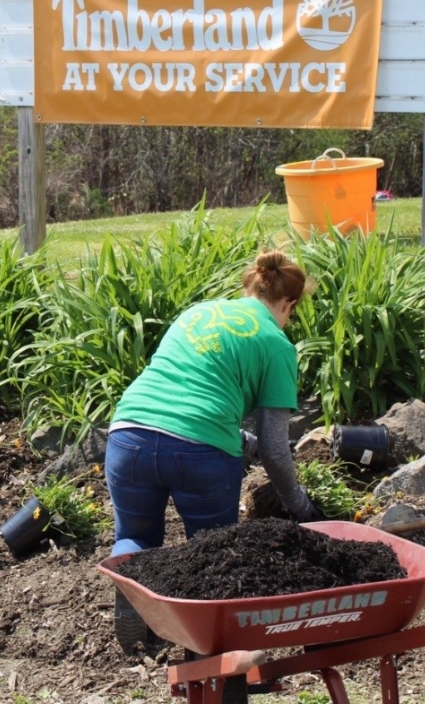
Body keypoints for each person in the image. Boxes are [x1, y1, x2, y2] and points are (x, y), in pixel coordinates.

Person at [105, 250, 321, 647]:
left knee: (135, 536)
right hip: (199, 454)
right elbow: (275, 449)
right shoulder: (276, 343)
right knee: (212, 554)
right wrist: (300, 505)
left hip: (128, 434)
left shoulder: (197, 313)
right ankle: (200, 650)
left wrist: (239, 440)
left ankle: (133, 597)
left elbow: (181, 394)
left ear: (250, 286)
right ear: (289, 303)